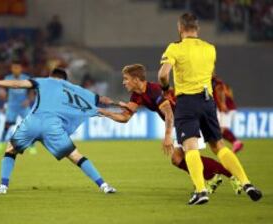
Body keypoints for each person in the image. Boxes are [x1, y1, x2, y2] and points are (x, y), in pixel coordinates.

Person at [158, 12, 262, 205]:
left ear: (180, 28)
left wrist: (165, 89)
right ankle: (246, 182)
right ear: (198, 28)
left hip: (186, 102)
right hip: (207, 102)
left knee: (190, 148)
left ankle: (200, 190)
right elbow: (209, 74)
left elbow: (163, 74)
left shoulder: (175, 48)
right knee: (219, 146)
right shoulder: (210, 49)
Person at [99, 64, 242, 194]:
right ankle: (213, 177)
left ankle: (229, 177)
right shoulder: (137, 95)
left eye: (126, 79)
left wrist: (167, 136)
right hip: (181, 122)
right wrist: (106, 113)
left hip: (190, 118)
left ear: (136, 80)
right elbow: (125, 117)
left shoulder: (154, 90)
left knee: (186, 156)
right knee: (179, 158)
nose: (123, 82)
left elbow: (169, 113)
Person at [0, 68, 116, 195]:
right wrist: (120, 104)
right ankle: (104, 185)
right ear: (64, 80)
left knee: (10, 149)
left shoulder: (42, 82)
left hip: (33, 123)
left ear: (50, 76)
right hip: (53, 127)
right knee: (75, 156)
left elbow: (17, 84)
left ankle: (3, 186)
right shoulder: (72, 89)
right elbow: (102, 100)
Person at [0, 60, 35, 155]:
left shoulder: (26, 78)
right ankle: (0, 144)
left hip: (23, 106)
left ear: (21, 69)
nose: (16, 69)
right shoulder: (7, 78)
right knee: (7, 125)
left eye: (17, 67)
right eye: (14, 67)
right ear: (11, 69)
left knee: (31, 125)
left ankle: (32, 147)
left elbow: (32, 92)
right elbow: (3, 92)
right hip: (12, 106)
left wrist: (28, 100)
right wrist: (4, 104)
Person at [212, 75, 243, 153]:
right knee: (219, 130)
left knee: (220, 130)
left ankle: (235, 142)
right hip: (227, 109)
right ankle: (234, 143)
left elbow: (220, 91)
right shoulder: (216, 83)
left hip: (226, 110)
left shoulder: (216, 82)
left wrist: (222, 104)